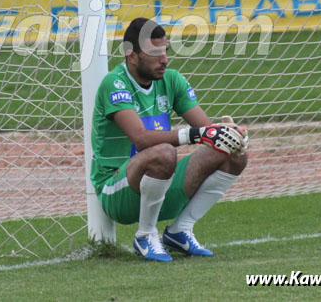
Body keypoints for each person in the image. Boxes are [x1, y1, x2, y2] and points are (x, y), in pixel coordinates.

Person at [91, 17, 248, 262]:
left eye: (165, 51)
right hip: (116, 191)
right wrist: (194, 135)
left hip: (159, 182)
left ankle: (180, 231)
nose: (164, 59)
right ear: (131, 55)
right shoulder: (114, 83)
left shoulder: (172, 79)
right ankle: (145, 235)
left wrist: (230, 134)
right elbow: (141, 139)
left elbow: (207, 130)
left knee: (233, 152)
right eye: (155, 53)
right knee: (163, 152)